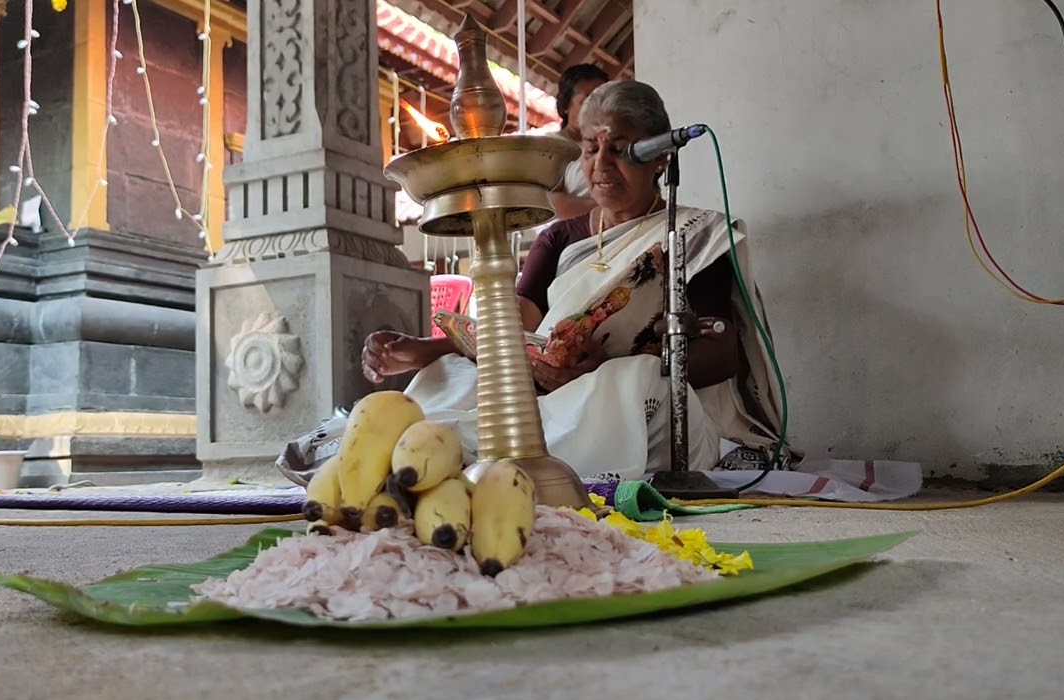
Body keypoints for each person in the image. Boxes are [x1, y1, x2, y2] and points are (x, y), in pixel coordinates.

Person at [276, 80, 787, 486]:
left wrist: (608, 364)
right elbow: (510, 331)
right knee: (455, 372)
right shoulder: (561, 238)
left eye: (623, 148)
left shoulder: (695, 235)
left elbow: (725, 356)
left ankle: (450, 456)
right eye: (590, 148)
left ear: (660, 157)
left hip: (648, 412)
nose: (601, 165)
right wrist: (423, 350)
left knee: (626, 384)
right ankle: (404, 443)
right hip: (550, 395)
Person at [546, 64, 609, 220]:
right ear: (566, 105)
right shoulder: (551, 146)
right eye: (586, 102)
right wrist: (611, 209)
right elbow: (551, 204)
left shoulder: (613, 144)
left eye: (603, 101)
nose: (596, 109)